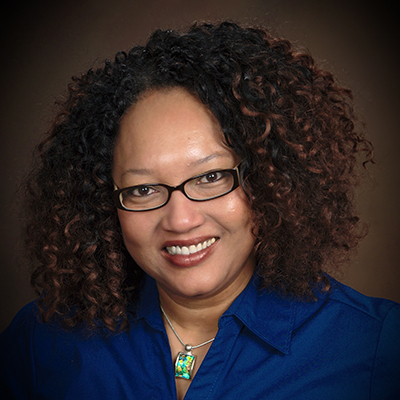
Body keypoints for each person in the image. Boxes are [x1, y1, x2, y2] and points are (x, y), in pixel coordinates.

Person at [1, 21, 399, 400]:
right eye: (143, 189)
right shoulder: (41, 341)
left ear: (268, 179)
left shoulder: (376, 347)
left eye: (210, 177)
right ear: (104, 203)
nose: (181, 220)